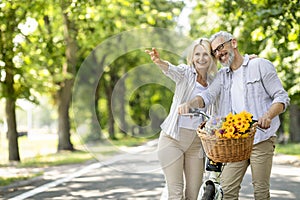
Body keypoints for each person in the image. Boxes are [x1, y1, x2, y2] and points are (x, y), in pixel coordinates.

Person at [178, 31, 290, 200]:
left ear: (234, 43)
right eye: (215, 51)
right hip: (236, 142)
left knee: (260, 191)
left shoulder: (259, 65)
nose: (218, 53)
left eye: (221, 47)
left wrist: (268, 115)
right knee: (227, 191)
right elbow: (207, 96)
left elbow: (281, 97)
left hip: (261, 138)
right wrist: (190, 103)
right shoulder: (222, 76)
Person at [145, 38, 218, 200]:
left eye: (205, 54)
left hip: (196, 144)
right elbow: (172, 70)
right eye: (197, 54)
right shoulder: (186, 73)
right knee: (176, 193)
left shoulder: (214, 82)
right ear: (192, 57)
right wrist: (159, 61)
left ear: (212, 58)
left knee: (192, 195)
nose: (201, 58)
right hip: (172, 140)